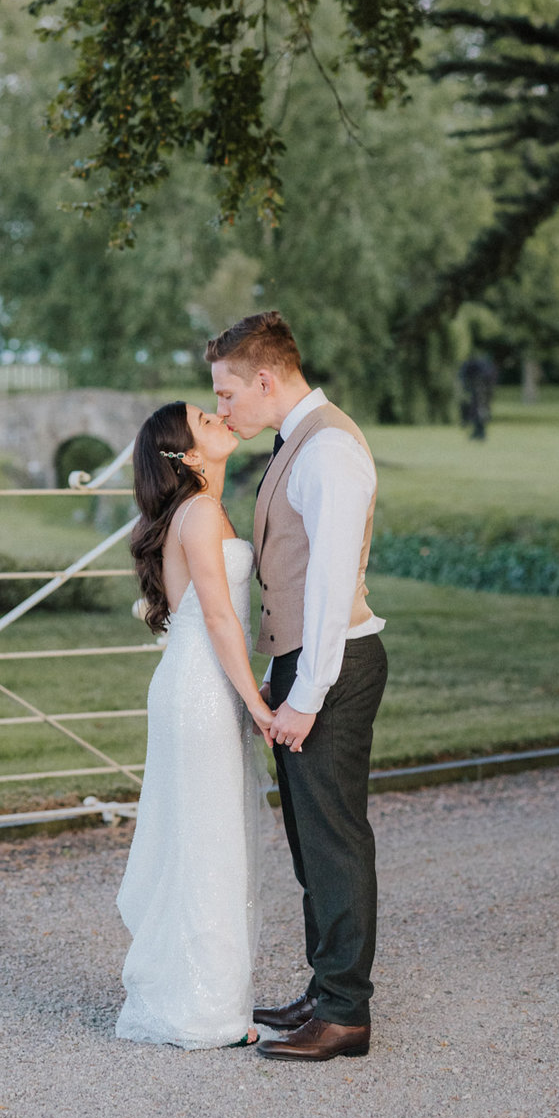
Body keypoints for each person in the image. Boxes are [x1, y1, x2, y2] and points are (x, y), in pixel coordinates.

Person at [206, 311, 388, 1062]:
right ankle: (325, 990)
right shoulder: (298, 442)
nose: (221, 409)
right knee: (312, 844)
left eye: (224, 394)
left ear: (265, 379)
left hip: (333, 666)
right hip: (308, 663)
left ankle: (345, 1013)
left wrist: (306, 696)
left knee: (335, 841)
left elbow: (330, 583)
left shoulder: (331, 450)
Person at [115, 401, 274, 1049]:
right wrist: (258, 703)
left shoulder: (197, 509)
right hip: (202, 687)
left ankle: (208, 998)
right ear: (184, 454)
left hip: (199, 682)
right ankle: (206, 1011)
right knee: (209, 841)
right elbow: (217, 619)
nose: (222, 419)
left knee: (208, 837)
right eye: (207, 419)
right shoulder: (201, 512)